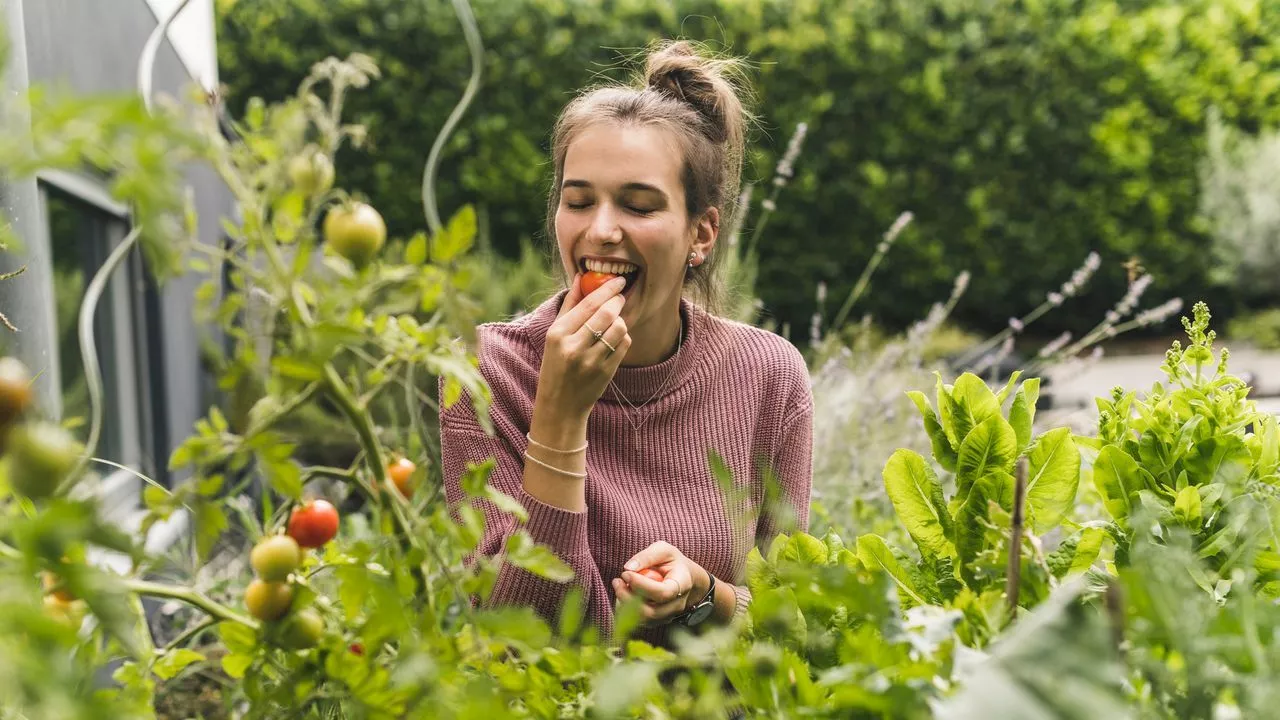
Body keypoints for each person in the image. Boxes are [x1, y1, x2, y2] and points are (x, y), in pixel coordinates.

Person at [439, 40, 812, 646]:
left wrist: (705, 595)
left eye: (638, 206)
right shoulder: (486, 371)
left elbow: (795, 623)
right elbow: (507, 641)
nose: (601, 230)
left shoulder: (768, 375)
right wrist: (559, 418)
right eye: (578, 200)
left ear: (701, 233)